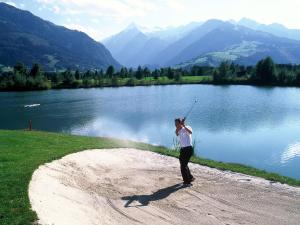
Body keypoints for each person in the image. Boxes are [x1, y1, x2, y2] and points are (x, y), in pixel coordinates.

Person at [175, 118, 195, 185]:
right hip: (183, 149)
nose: (175, 125)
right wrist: (179, 126)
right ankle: (190, 177)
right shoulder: (179, 130)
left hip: (188, 149)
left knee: (183, 165)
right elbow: (176, 133)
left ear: (180, 123)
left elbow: (190, 132)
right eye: (175, 123)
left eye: (177, 123)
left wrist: (183, 125)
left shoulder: (187, 127)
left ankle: (187, 181)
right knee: (183, 163)